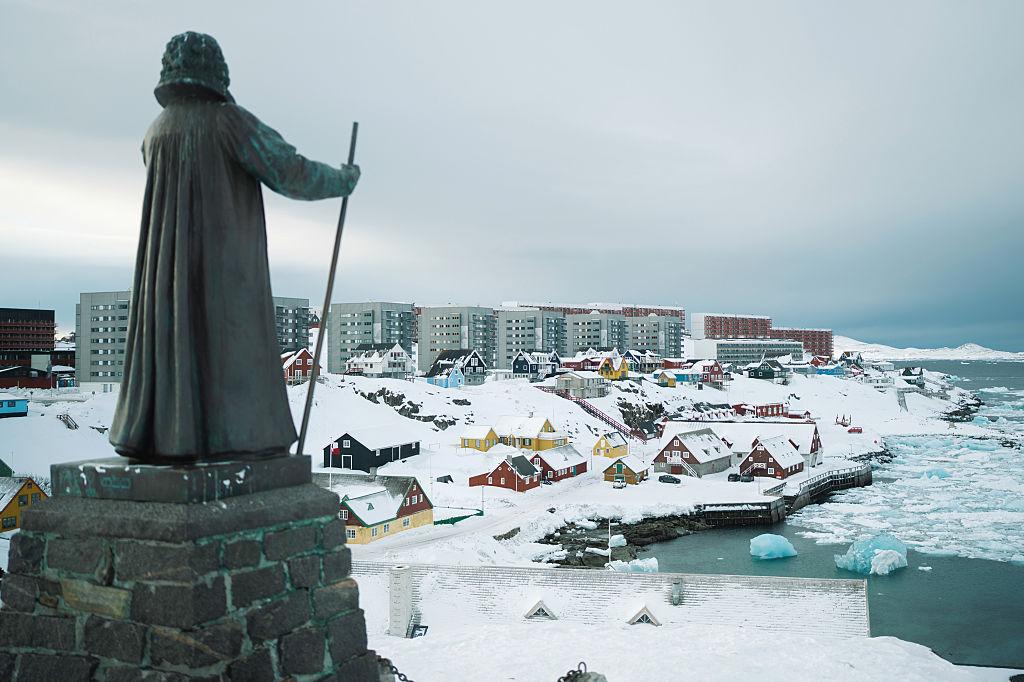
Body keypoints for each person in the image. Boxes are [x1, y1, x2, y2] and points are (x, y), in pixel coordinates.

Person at [109, 32, 360, 462]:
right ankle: (238, 438)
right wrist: (343, 180)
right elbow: (289, 170)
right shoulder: (227, 122)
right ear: (216, 72)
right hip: (222, 266)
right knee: (230, 349)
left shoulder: (156, 132)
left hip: (165, 273)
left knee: (177, 346)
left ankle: (166, 437)